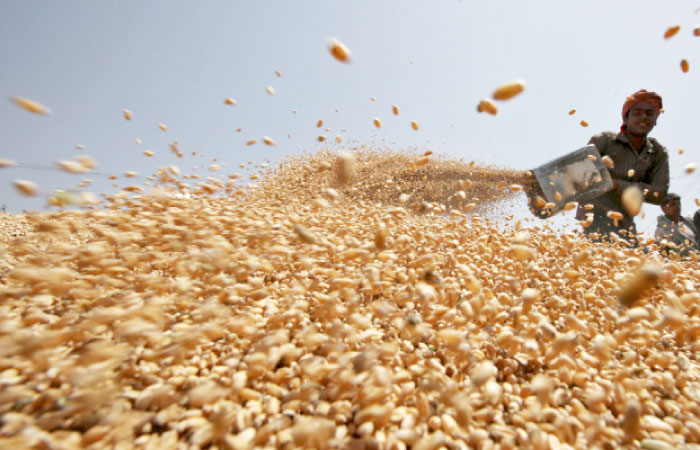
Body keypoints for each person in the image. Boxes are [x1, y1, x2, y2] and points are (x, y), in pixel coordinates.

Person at [576, 89, 670, 243]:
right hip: (594, 218)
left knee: (641, 261)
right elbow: (579, 175)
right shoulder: (604, 141)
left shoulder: (657, 152)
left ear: (656, 119)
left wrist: (617, 184)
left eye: (649, 113)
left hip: (625, 223)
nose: (643, 117)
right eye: (637, 112)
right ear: (626, 118)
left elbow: (659, 194)